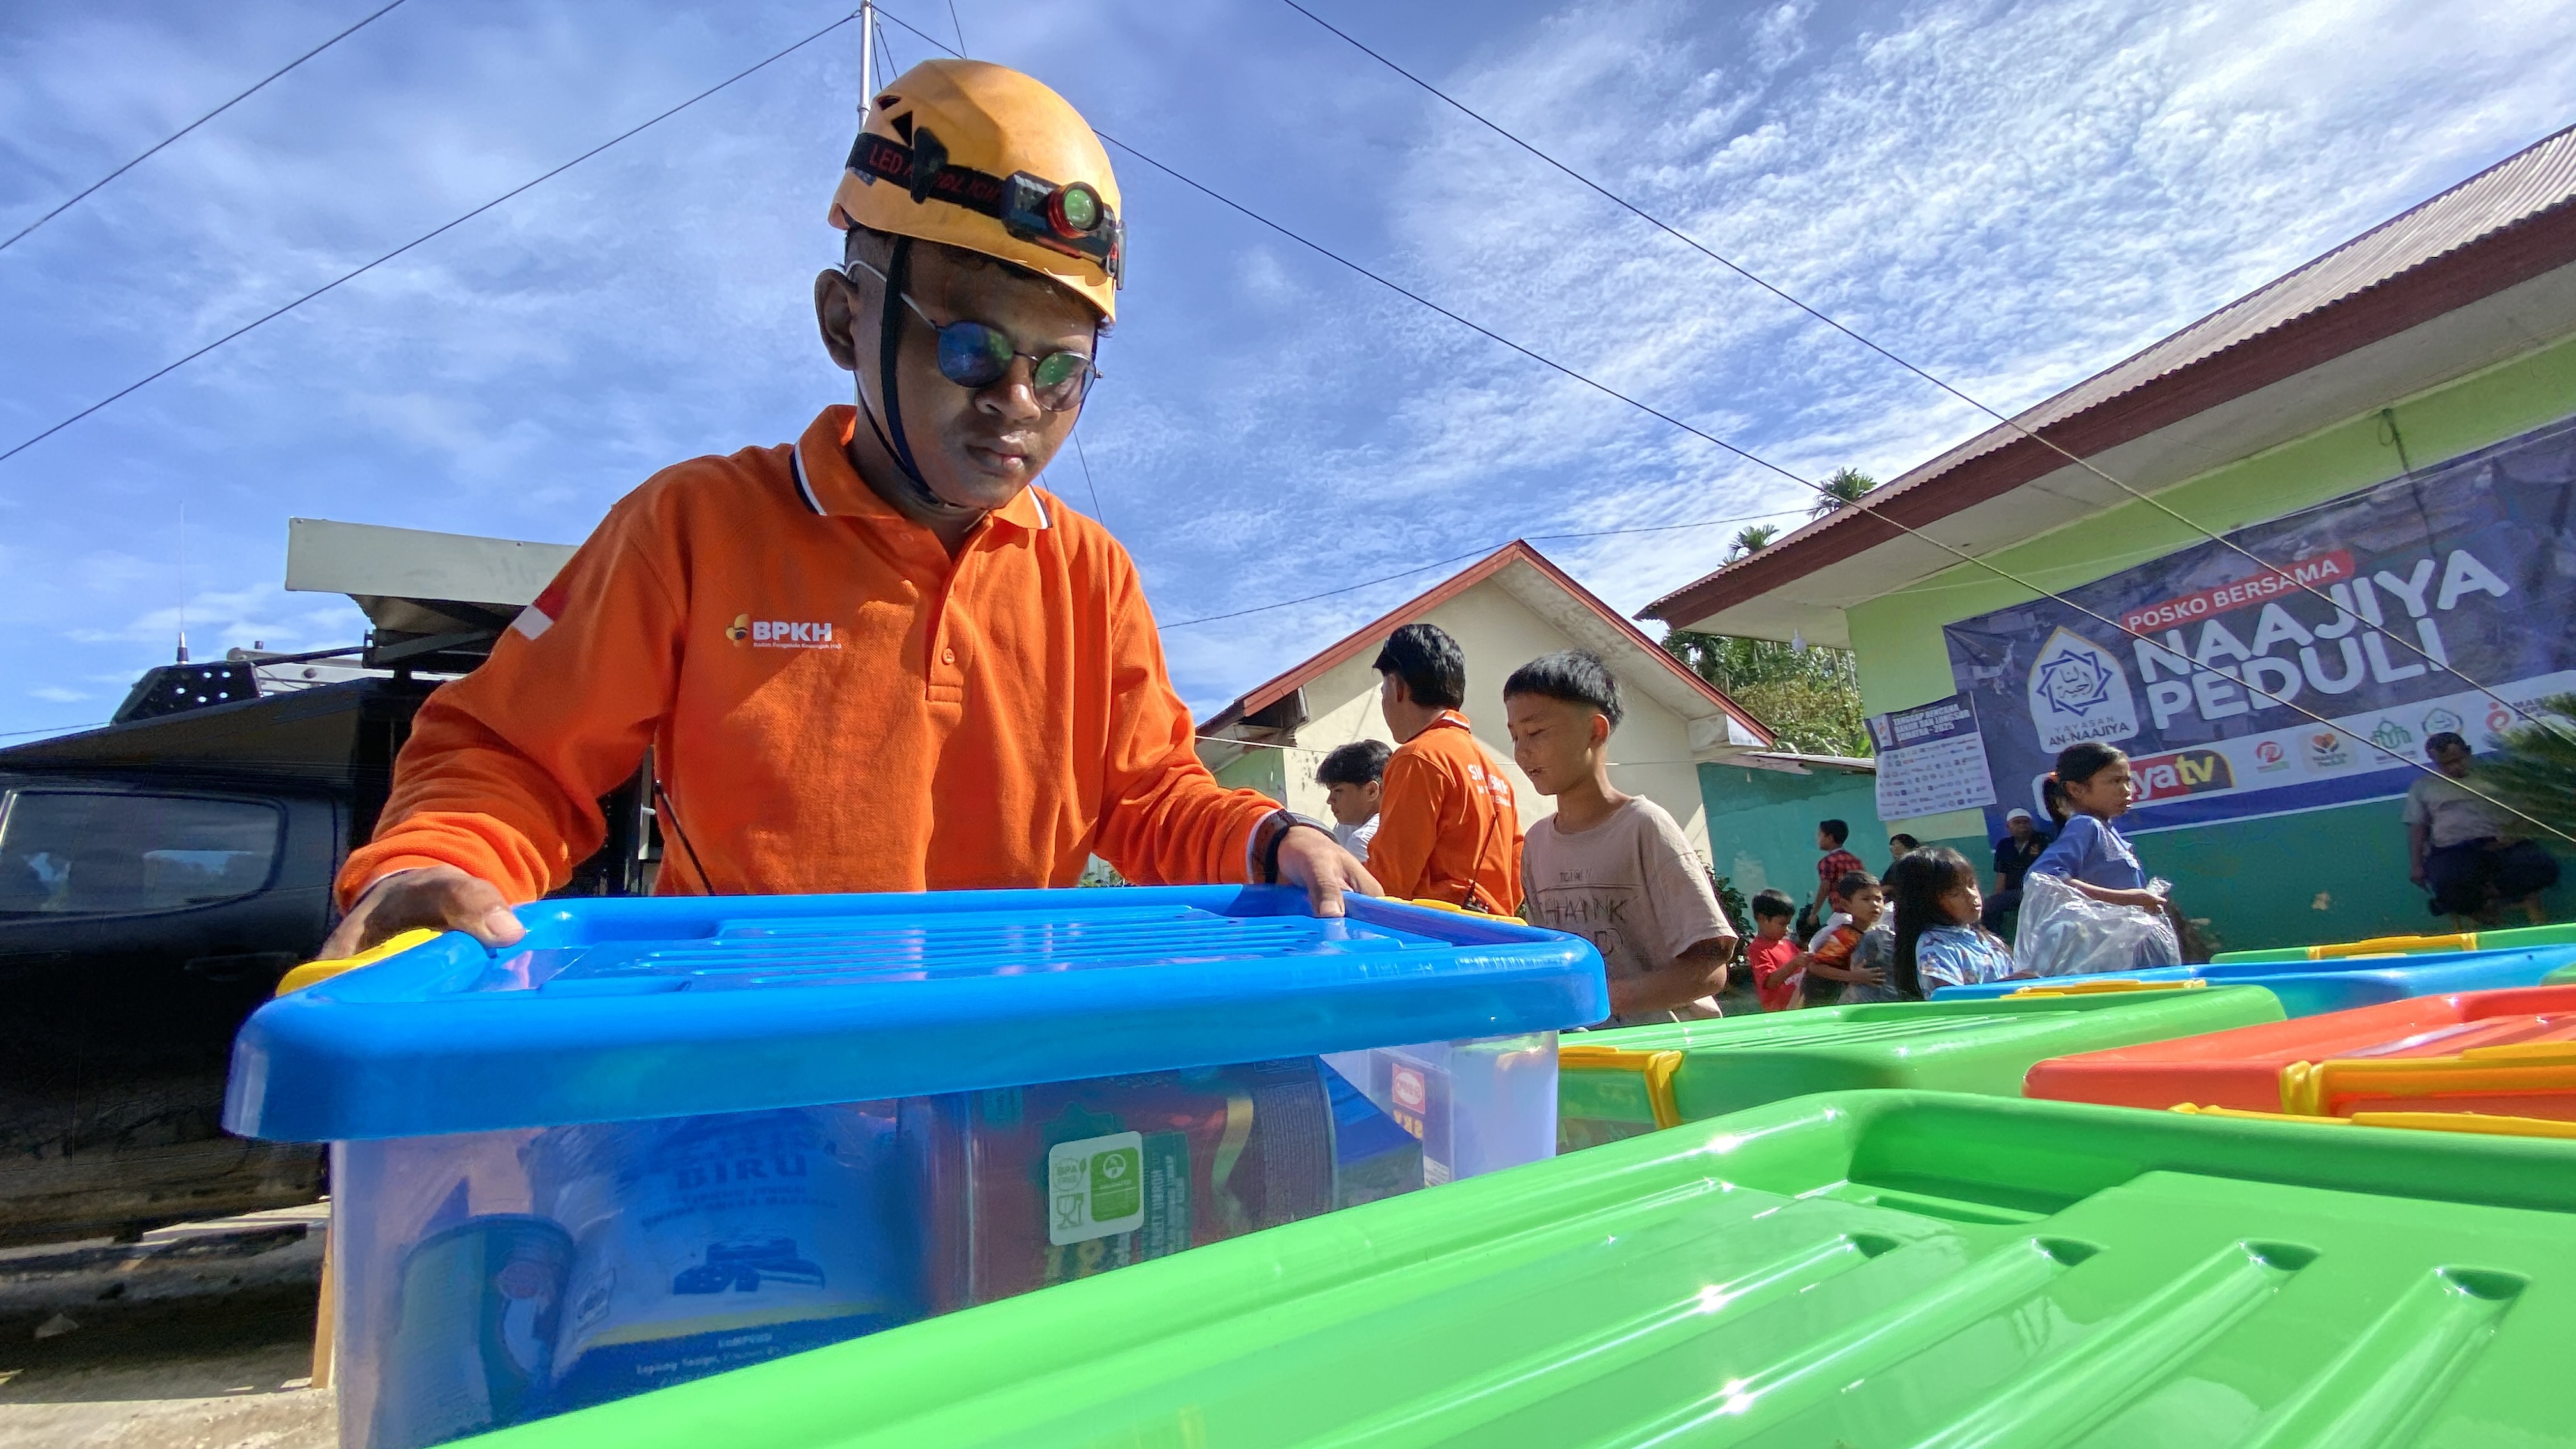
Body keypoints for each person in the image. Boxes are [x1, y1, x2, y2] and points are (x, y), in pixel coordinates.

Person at [320, 60, 1376, 956]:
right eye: (970, 349)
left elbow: (1149, 793)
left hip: (1002, 1086)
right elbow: (512, 753)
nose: (1015, 404)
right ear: (843, 321)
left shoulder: (1089, 578)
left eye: (1060, 372)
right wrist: (431, 866)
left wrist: (1273, 838)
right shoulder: (695, 528)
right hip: (759, 1086)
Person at [1505, 651, 1737, 1026]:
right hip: (1586, 1054)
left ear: (1596, 731)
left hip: (1661, 1058)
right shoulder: (1536, 845)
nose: (1522, 750)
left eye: (1535, 733)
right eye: (1514, 736)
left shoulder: (1645, 828)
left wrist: (1596, 997)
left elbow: (1710, 970)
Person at [1368, 623, 1522, 912]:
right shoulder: (1495, 773)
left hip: (1439, 938)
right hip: (1496, 936)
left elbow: (1388, 882)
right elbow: (1516, 876)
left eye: (1383, 689)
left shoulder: (1418, 758)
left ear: (1398, 687)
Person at [2405, 731, 2560, 925]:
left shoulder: (2497, 776)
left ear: (2468, 752)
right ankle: (2469, 902)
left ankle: (2478, 897)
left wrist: (2513, 836)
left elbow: (2530, 812)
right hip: (2453, 850)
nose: (2454, 768)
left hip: (2503, 844)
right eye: (2445, 764)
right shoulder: (2424, 786)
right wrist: (2416, 865)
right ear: (2433, 760)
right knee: (2445, 883)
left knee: (2544, 868)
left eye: (2458, 760)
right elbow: (2417, 827)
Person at [1882, 847, 2017, 1000]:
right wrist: (2014, 985)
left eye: (1971, 885)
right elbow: (1950, 1000)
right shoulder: (1935, 945)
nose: (1971, 896)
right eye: (1955, 893)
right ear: (1927, 903)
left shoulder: (1988, 940)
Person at [1796, 869, 1885, 1005]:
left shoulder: (1876, 934)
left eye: (1878, 899)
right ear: (1846, 905)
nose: (1874, 905)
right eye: (1866, 899)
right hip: (1824, 999)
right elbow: (1815, 966)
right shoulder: (1846, 936)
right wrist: (1853, 977)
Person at [1315, 740, 1390, 856]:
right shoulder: (1347, 827)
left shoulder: (1362, 841)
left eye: (1338, 791)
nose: (1330, 800)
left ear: (1371, 791)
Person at [1983, 807, 2051, 933]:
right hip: (2014, 893)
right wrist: (1998, 898)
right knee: (1988, 907)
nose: (2022, 826)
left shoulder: (2043, 841)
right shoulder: (2004, 846)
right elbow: (2001, 875)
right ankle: (1997, 941)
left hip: (2038, 890)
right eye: (2017, 822)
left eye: (2025, 822)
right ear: (2008, 827)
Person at [1802, 818, 1867, 938]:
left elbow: (1824, 888)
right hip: (1860, 912)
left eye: (1820, 835)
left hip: (1841, 912)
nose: (1818, 839)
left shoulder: (1827, 862)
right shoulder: (1854, 859)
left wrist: (1814, 913)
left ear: (1830, 838)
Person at [1745, 889, 1804, 1011]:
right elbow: (1770, 982)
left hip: (1797, 1007)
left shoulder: (1788, 945)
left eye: (1788, 924)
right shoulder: (1758, 949)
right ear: (1762, 919)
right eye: (1782, 924)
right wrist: (1795, 963)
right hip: (1778, 1012)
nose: (1787, 929)